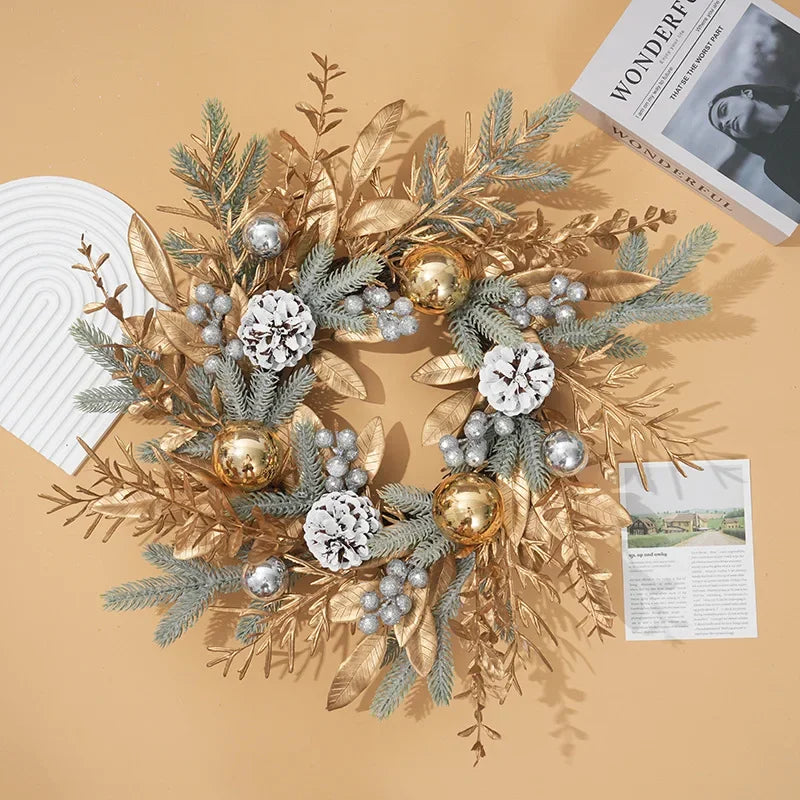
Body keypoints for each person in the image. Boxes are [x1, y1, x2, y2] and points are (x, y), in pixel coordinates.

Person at [707, 83, 800, 203]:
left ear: (747, 93)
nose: (725, 123)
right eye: (724, 129)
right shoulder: (776, 167)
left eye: (724, 110)